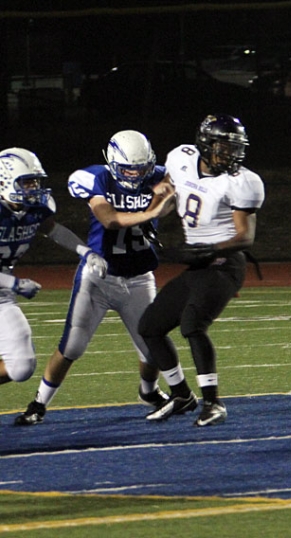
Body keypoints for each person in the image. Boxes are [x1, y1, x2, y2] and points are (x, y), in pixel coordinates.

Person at [14, 131, 175, 426]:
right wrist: (151, 210)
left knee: (152, 348)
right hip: (100, 275)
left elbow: (173, 196)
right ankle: (38, 403)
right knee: (73, 344)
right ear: (113, 163)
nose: (136, 174)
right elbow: (109, 218)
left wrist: (168, 196)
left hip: (139, 277)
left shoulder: (161, 175)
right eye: (128, 169)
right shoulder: (95, 178)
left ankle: (149, 392)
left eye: (141, 168)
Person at [137, 114, 265, 427]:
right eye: (224, 146)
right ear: (205, 144)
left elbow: (245, 236)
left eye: (236, 147)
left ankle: (213, 402)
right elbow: (168, 191)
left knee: (192, 325)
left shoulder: (242, 181)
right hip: (196, 263)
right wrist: (153, 214)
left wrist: (212, 249)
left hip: (225, 262)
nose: (231, 154)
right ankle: (181, 395)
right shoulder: (181, 159)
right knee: (150, 326)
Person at [0, 148, 108, 400]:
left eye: (35, 181)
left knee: (22, 366)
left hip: (3, 291)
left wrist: (86, 252)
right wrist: (15, 284)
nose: (33, 188)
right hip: (7, 284)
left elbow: (53, 230)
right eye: (26, 182)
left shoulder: (34, 209)